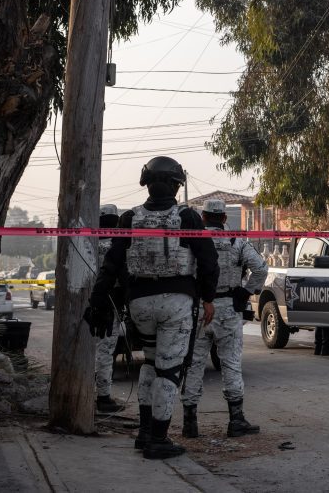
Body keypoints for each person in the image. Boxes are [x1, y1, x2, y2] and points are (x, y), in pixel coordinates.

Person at [84, 156, 218, 460]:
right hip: (177, 303)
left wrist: (98, 300)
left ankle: (145, 433)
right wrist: (208, 298)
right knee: (169, 371)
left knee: (150, 363)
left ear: (147, 184)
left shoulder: (129, 218)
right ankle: (158, 439)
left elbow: (111, 265)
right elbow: (209, 262)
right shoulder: (188, 218)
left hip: (139, 304)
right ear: (175, 185)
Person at [181, 199, 267, 439]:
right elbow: (261, 268)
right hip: (229, 309)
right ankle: (236, 420)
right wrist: (246, 292)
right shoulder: (237, 242)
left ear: (204, 217)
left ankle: (190, 423)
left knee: (194, 364)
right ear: (224, 219)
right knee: (230, 363)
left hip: (198, 308)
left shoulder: (193, 242)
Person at [94, 204, 124, 413]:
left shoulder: (86, 241)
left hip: (86, 301)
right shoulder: (119, 245)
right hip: (110, 303)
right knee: (105, 352)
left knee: (88, 350)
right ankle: (103, 397)